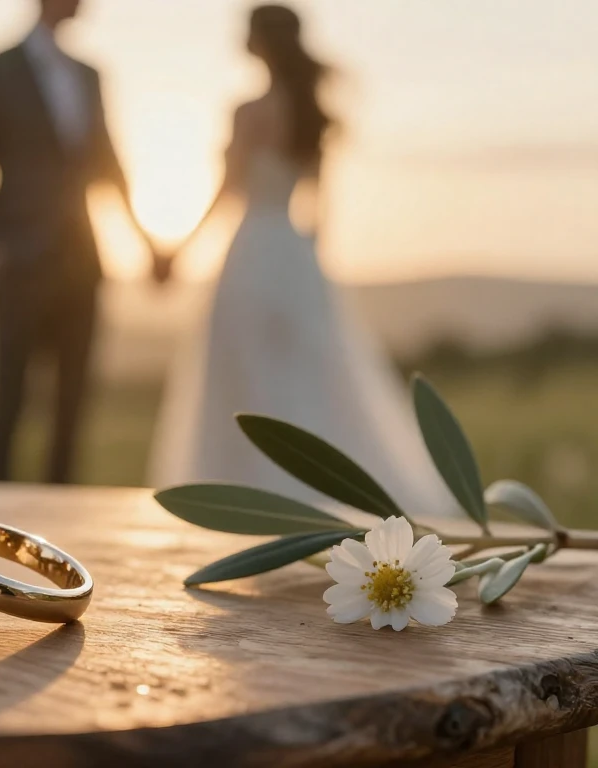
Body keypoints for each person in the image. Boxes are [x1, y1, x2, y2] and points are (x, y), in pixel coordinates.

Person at [149, 4, 457, 513]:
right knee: (306, 379)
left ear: (260, 44)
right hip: (292, 253)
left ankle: (256, 498)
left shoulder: (248, 111)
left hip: (250, 253)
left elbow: (227, 191)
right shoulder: (313, 113)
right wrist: (309, 263)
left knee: (246, 377)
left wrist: (176, 251)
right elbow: (318, 206)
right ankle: (321, 490)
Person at [0, 0, 163, 484]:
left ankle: (59, 529)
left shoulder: (89, 75)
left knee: (73, 404)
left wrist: (145, 243)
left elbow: (109, 164)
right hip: (20, 262)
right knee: (9, 399)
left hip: (83, 260)